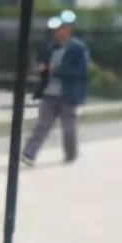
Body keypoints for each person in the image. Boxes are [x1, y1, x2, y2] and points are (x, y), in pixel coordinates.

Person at [21, 11, 89, 166]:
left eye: (60, 29)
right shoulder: (51, 47)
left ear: (68, 29)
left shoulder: (78, 49)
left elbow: (81, 72)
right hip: (49, 94)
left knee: (68, 128)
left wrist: (57, 71)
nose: (57, 32)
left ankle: (71, 154)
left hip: (68, 95)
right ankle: (29, 154)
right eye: (56, 29)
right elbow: (44, 66)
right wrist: (43, 70)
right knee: (42, 125)